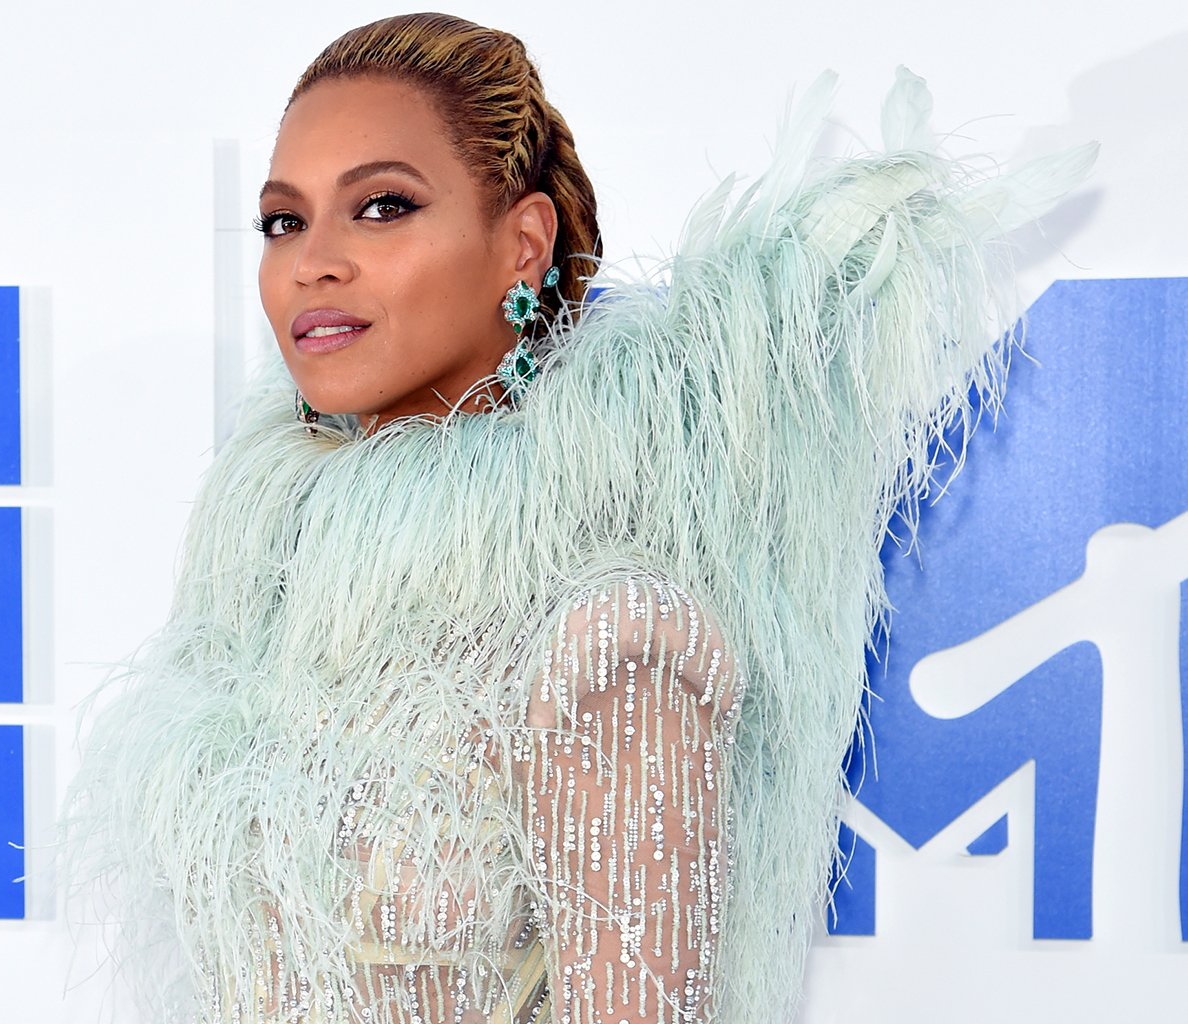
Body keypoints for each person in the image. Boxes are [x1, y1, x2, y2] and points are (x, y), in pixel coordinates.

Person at [66, 12, 1095, 1023]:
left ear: (522, 245)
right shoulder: (264, 599)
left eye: (381, 206)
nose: (312, 260)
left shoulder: (607, 642)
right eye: (284, 220)